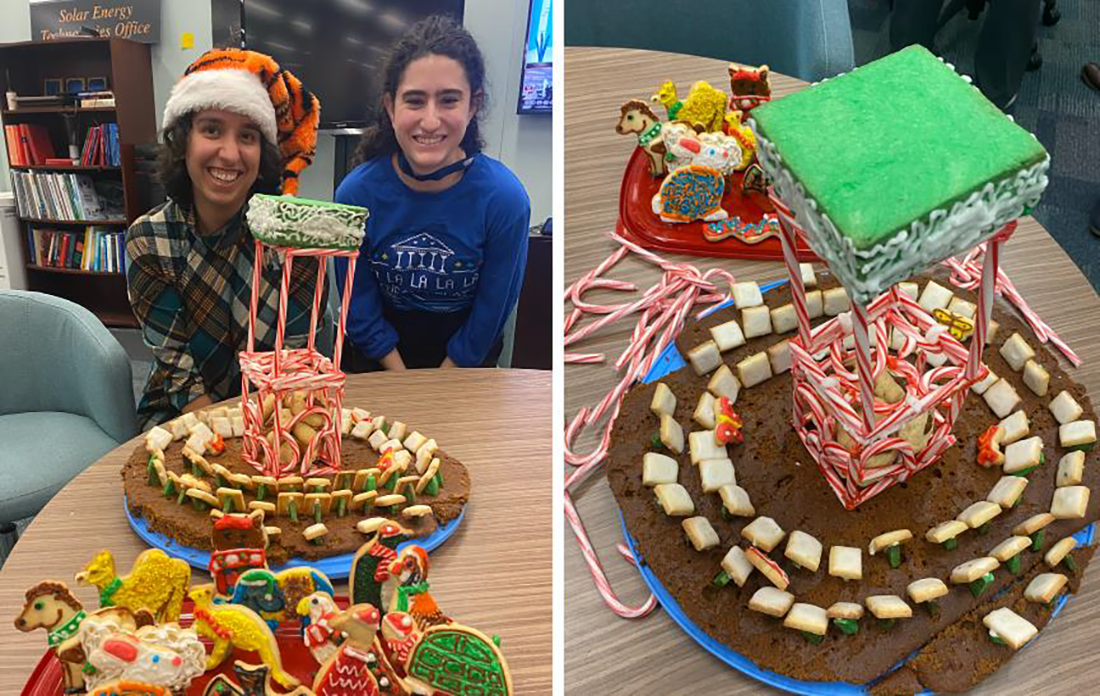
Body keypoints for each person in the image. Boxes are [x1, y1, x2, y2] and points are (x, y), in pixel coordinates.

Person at [126, 49, 324, 428]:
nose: (230, 154)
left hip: (276, 418)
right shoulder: (149, 242)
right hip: (181, 415)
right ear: (184, 142)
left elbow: (295, 369)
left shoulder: (295, 245)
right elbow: (179, 376)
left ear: (263, 153)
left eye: (247, 135)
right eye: (212, 129)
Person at [334, 16, 531, 371]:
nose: (430, 120)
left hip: (464, 363)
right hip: (378, 361)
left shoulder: (505, 200)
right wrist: (402, 379)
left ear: (473, 105)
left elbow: (493, 310)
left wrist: (443, 381)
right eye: (414, 101)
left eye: (449, 100)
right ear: (390, 107)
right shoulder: (355, 195)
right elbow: (358, 306)